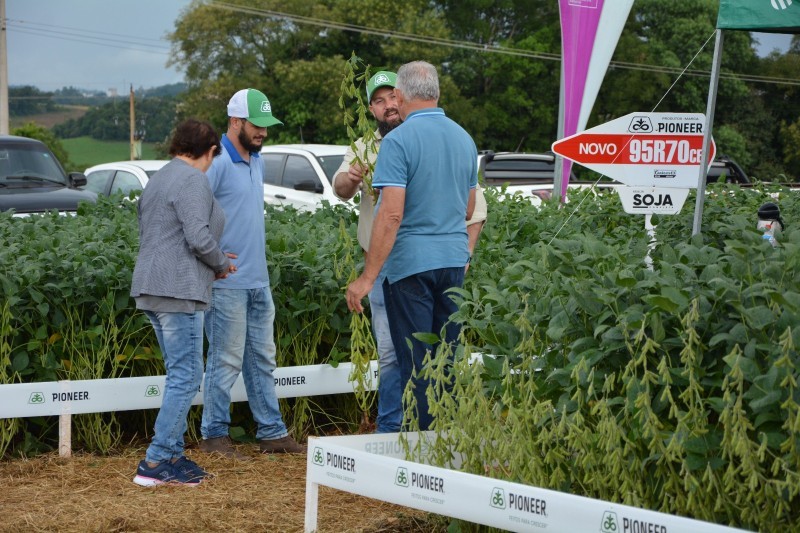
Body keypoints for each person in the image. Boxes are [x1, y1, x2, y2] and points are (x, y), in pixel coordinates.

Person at [334, 71, 486, 433]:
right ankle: (445, 437)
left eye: (393, 96)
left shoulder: (398, 141)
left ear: (402, 96)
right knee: (445, 356)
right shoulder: (463, 138)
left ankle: (419, 446)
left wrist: (367, 278)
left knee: (416, 361)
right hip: (452, 262)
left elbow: (391, 214)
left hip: (409, 265)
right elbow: (469, 208)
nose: (390, 103)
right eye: (379, 100)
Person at [199, 88, 305, 458]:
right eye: (256, 125)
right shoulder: (216, 162)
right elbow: (193, 215)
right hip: (226, 282)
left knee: (262, 359)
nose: (263, 132)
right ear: (235, 121)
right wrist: (214, 259)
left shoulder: (255, 159)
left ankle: (272, 433)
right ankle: (214, 436)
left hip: (258, 281)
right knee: (224, 361)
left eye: (266, 125)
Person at [131, 119, 236, 486]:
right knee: (188, 376)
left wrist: (211, 262)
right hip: (178, 290)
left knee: (178, 374)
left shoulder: (159, 177)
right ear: (210, 150)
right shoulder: (193, 179)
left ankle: (173, 456)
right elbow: (197, 236)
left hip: (152, 286)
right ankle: (156, 460)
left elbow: (160, 234)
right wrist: (220, 264)